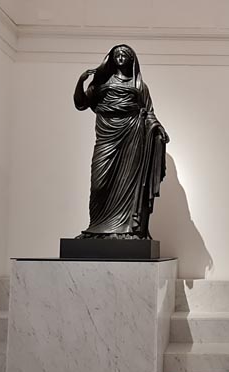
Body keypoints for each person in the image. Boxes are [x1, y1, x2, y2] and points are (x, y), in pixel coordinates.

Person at [73, 44, 169, 239]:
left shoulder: (139, 86)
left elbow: (149, 112)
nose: (120, 57)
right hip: (107, 135)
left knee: (128, 183)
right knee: (99, 183)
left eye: (124, 55)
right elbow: (80, 103)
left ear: (131, 60)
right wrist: (80, 82)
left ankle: (125, 229)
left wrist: (157, 128)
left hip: (132, 134)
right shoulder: (100, 84)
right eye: (117, 55)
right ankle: (97, 227)